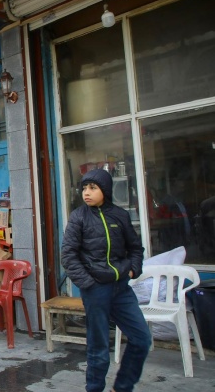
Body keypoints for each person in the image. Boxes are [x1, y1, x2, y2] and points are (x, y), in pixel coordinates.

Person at [61, 168, 151, 392]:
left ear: (105, 190)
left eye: (93, 188)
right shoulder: (78, 217)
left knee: (141, 338)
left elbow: (135, 248)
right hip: (96, 290)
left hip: (121, 289)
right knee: (99, 348)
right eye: (84, 188)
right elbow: (68, 256)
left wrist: (133, 270)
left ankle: (122, 387)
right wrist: (89, 284)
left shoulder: (120, 215)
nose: (86, 192)